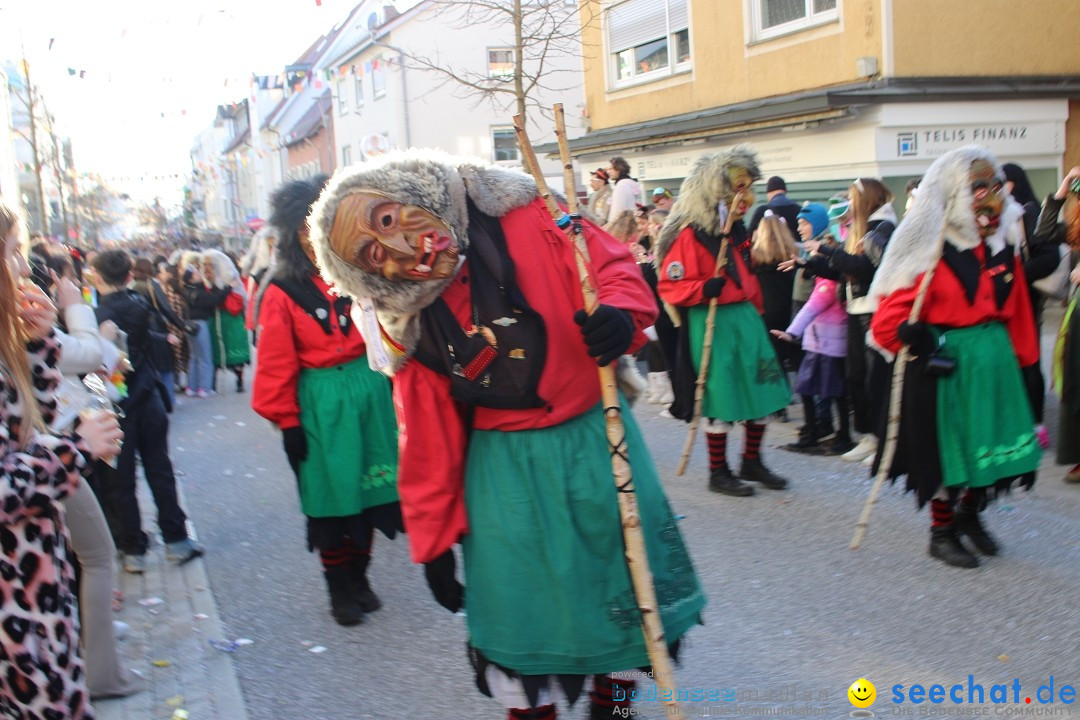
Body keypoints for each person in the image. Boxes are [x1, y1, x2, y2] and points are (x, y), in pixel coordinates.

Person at [308, 150, 705, 719]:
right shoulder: (408, 317)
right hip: (504, 473)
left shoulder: (531, 212)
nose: (396, 250)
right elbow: (426, 438)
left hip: (598, 442)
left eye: (389, 221)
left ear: (412, 194)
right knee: (524, 626)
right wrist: (436, 541)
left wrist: (620, 312)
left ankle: (614, 712)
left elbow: (609, 263)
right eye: (373, 253)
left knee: (625, 597)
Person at [867, 146, 1041, 569]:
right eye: (977, 188)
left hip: (995, 361)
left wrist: (1027, 368)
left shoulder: (1001, 249)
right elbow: (886, 324)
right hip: (951, 367)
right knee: (952, 453)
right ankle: (941, 532)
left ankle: (969, 515)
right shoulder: (930, 252)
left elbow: (1017, 309)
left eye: (995, 186)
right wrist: (917, 337)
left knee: (993, 444)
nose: (989, 197)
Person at [253, 177, 401, 627]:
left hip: (370, 396)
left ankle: (360, 577)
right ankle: (340, 588)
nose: (313, 238)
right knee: (331, 500)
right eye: (304, 229)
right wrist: (288, 422)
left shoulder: (361, 275)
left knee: (372, 493)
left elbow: (395, 330)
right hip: (322, 406)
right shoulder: (281, 292)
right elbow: (275, 364)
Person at [0, 201, 123, 719]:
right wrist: (78, 449)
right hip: (18, 598)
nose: (25, 270)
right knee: (99, 556)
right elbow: (98, 361)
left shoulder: (14, 335)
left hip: (34, 583)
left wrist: (38, 339)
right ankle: (106, 674)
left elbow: (25, 418)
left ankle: (102, 671)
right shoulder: (91, 302)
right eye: (12, 254)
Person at [655, 146, 791, 497]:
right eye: (738, 187)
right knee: (721, 394)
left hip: (745, 319)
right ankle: (718, 471)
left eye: (748, 187)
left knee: (762, 388)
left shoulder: (735, 232)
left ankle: (752, 460)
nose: (744, 196)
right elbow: (670, 285)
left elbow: (748, 276)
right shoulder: (689, 235)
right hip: (711, 321)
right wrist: (704, 288)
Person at [91, 250, 204, 573]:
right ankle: (176, 540)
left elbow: (93, 369)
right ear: (129, 275)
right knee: (160, 470)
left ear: (97, 277)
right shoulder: (139, 305)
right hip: (148, 396)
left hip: (115, 405)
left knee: (120, 479)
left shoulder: (96, 316)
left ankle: (132, 549)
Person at [794, 178, 897, 464]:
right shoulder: (864, 228)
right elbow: (845, 274)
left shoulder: (882, 228)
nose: (849, 204)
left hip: (874, 310)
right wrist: (809, 263)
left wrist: (825, 250)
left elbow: (865, 268)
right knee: (855, 377)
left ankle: (883, 438)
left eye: (853, 198)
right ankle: (868, 436)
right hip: (856, 309)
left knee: (874, 379)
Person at [771, 232, 850, 454]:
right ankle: (827, 431)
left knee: (817, 390)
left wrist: (792, 332)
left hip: (826, 346)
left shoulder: (827, 285)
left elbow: (811, 308)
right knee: (830, 391)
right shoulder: (827, 280)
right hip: (822, 343)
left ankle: (820, 433)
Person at [1044, 166, 1080, 483]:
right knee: (1072, 378)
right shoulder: (1076, 224)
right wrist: (1063, 189)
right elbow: (1042, 235)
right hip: (1077, 314)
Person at [752, 211, 800, 374]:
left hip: (768, 312)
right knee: (797, 358)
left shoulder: (755, 258)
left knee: (774, 360)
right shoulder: (793, 254)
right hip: (792, 310)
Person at [181, 253, 230, 397]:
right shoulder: (199, 292)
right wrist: (228, 288)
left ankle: (192, 387)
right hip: (200, 325)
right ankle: (204, 388)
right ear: (192, 278)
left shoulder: (187, 290)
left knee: (194, 357)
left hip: (189, 325)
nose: (199, 274)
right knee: (205, 357)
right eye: (196, 273)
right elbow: (215, 299)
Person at [202, 249, 251, 392]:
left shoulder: (232, 281)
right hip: (217, 320)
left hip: (231, 320)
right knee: (216, 352)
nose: (207, 269)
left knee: (235, 351)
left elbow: (237, 303)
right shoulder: (207, 282)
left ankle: (239, 380)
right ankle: (213, 382)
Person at [605, 156, 643, 230]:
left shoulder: (621, 187)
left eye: (610, 169)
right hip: (630, 227)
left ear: (618, 169)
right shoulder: (628, 185)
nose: (608, 172)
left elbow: (618, 211)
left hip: (620, 229)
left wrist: (608, 228)